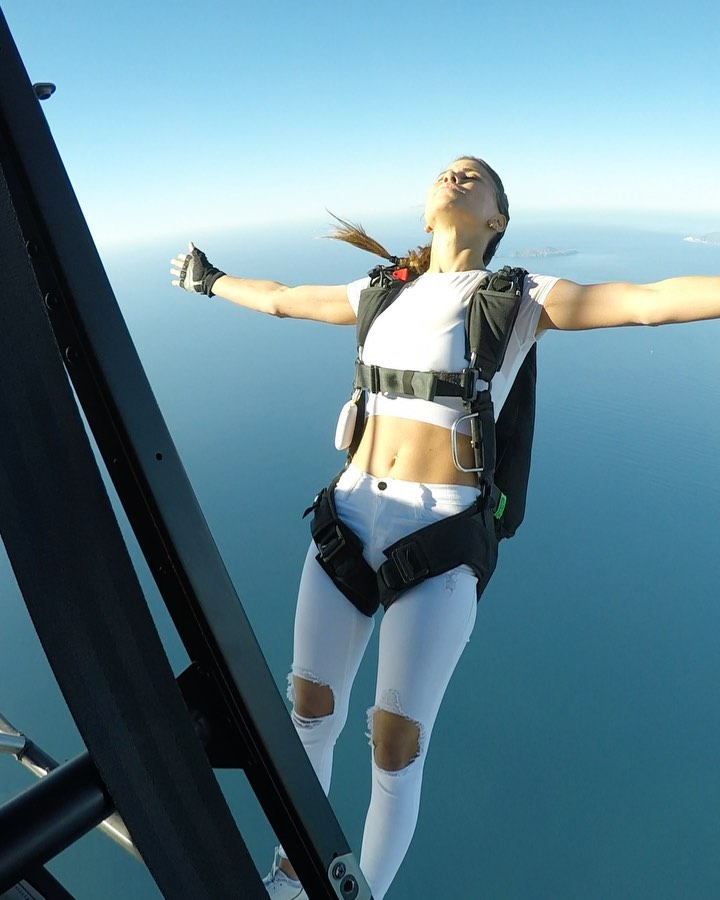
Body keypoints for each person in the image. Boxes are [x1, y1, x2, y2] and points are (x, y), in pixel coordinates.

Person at [170, 157, 720, 899]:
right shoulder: (382, 291)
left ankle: (361, 893)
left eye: (474, 175)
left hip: (440, 536)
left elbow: (647, 301)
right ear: (428, 211)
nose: (455, 176)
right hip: (347, 517)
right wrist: (209, 280)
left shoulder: (517, 299)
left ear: (497, 220)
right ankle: (292, 875)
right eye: (448, 172)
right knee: (309, 714)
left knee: (396, 744)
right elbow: (282, 299)